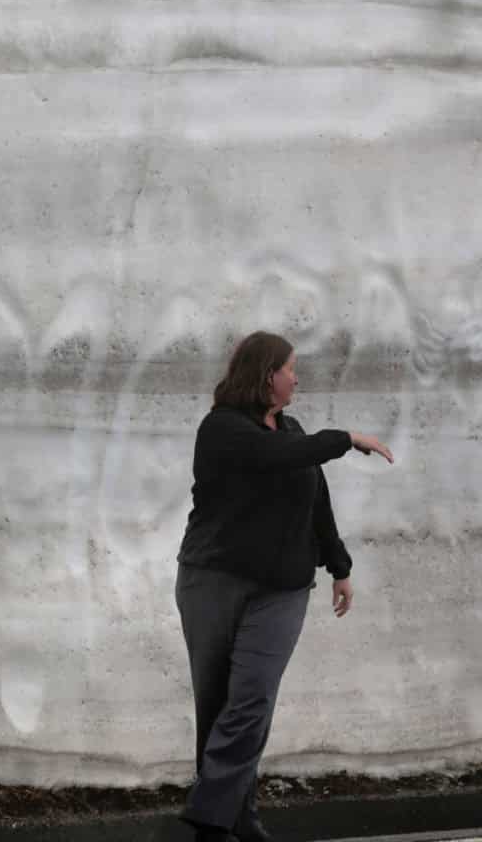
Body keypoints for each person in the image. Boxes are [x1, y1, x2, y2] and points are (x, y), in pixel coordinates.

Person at [175, 331, 393, 842]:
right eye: (291, 368)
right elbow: (272, 456)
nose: (297, 377)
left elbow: (316, 500)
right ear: (265, 374)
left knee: (250, 699)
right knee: (218, 706)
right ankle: (237, 817)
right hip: (212, 581)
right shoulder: (222, 430)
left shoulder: (292, 431)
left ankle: (210, 816)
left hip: (282, 591)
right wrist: (345, 438)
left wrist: (338, 565)